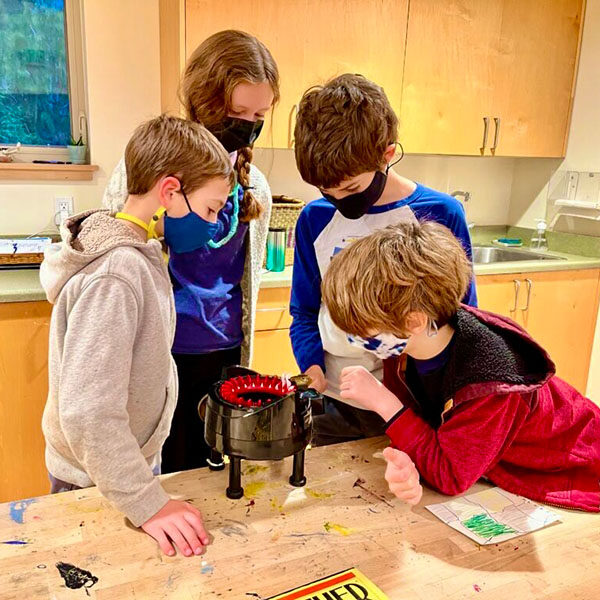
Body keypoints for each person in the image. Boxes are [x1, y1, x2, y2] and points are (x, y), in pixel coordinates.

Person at [41, 115, 235, 556]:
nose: (212, 222)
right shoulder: (117, 273)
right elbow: (88, 413)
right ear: (170, 192)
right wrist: (147, 502)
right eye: (210, 208)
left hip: (122, 466)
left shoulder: (140, 252)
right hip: (92, 478)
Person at [321, 220, 600, 512]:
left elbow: (450, 476)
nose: (354, 338)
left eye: (362, 329)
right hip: (492, 464)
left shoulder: (490, 383)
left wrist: (383, 402)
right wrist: (408, 459)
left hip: (576, 472)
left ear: (413, 321)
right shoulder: (407, 344)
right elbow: (429, 432)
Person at [103, 30, 280, 473]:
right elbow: (118, 247)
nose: (248, 124)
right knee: (160, 471)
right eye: (237, 112)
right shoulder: (145, 169)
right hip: (161, 357)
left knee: (217, 476)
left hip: (225, 356)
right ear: (204, 101)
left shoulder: (255, 184)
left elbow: (246, 280)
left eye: (259, 114)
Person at [290, 73, 476, 445]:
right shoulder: (314, 219)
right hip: (335, 402)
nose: (339, 200)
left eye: (351, 188)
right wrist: (311, 366)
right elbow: (305, 313)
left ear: (387, 155)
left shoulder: (440, 213)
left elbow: (464, 322)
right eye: (327, 192)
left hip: (410, 406)